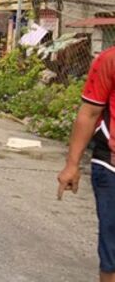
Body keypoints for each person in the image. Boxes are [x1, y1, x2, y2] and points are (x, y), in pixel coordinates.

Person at [57, 48, 115, 282]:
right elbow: (90, 112)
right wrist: (72, 165)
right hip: (111, 165)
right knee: (112, 250)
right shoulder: (110, 59)